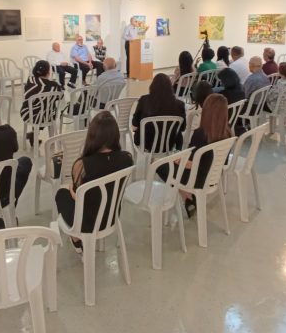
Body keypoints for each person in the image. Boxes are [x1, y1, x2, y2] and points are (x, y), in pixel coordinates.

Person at [54, 111, 134, 253]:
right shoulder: (127, 159)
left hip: (86, 223)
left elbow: (78, 196)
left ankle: (76, 238)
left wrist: (71, 189)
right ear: (115, 134)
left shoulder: (82, 165)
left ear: (92, 135)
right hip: (111, 216)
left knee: (61, 193)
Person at [156, 94, 232, 217]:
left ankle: (186, 194)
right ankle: (188, 196)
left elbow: (192, 164)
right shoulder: (228, 133)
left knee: (159, 165)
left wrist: (178, 160)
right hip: (213, 177)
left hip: (196, 179)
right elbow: (223, 161)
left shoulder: (200, 134)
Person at [132, 73, 186, 151]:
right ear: (170, 87)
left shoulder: (144, 100)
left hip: (146, 143)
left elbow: (135, 123)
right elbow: (183, 127)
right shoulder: (180, 104)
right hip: (170, 143)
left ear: (152, 86)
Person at [20, 60, 63, 125]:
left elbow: (27, 97)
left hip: (29, 115)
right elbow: (60, 96)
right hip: (49, 116)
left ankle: (35, 129)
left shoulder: (30, 81)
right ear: (48, 72)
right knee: (51, 100)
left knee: (35, 103)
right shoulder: (54, 86)